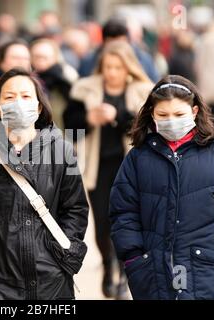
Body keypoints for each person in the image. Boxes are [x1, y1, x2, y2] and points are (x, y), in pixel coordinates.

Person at [0, 68, 89, 300]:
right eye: (9, 97)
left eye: (26, 96)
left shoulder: (61, 150)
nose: (18, 103)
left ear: (39, 106)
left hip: (49, 279)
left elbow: (75, 208)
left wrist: (60, 254)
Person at [110, 75, 214, 300]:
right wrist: (133, 259)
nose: (171, 120)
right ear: (152, 115)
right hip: (154, 277)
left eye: (179, 115)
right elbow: (123, 213)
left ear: (194, 112)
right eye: (163, 115)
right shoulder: (137, 159)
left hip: (208, 274)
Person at [64, 40, 153, 299]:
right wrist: (89, 120)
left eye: (118, 67)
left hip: (130, 168)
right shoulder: (84, 90)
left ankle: (125, 275)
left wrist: (118, 115)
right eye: (107, 67)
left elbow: (146, 129)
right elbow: (71, 127)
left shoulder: (143, 91)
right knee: (103, 223)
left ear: (128, 69)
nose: (112, 72)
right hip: (98, 167)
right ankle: (106, 264)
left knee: (129, 222)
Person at [30, 38, 78, 129]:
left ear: (55, 58)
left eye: (44, 57)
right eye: (36, 56)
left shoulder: (66, 79)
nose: (40, 60)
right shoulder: (25, 81)